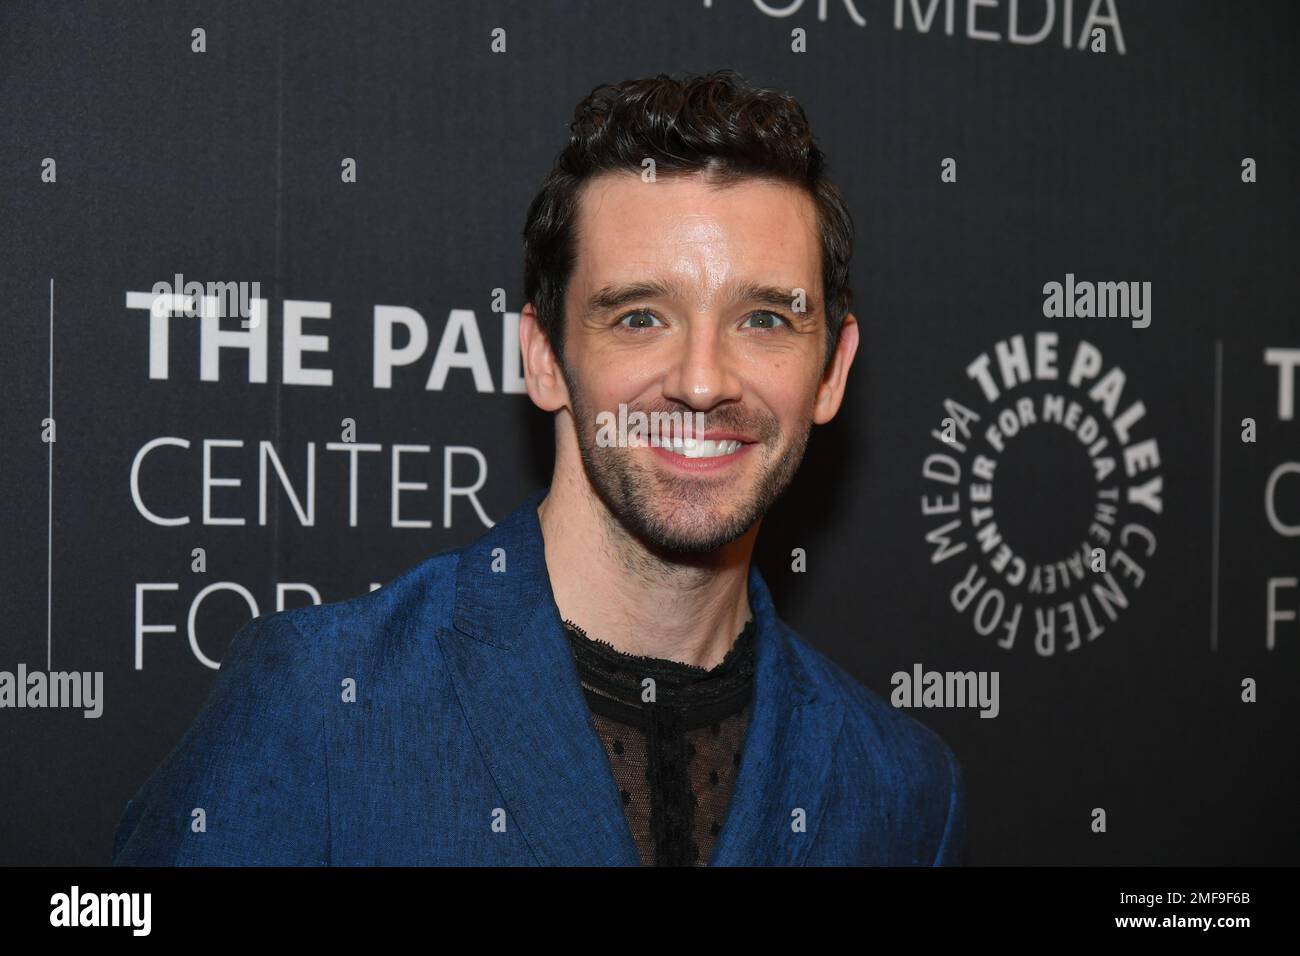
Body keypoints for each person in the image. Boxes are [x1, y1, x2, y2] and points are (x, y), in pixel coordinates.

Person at [112, 69, 967, 866]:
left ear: (832, 370)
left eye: (765, 321)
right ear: (545, 357)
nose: (703, 382)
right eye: (639, 317)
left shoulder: (900, 788)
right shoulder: (317, 706)